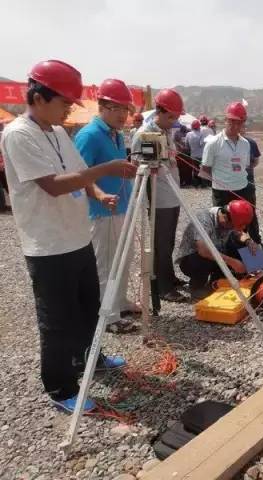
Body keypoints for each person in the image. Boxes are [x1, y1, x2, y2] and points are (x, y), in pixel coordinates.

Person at [0, 60, 137, 413]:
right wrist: (107, 170)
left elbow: (77, 173)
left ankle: (90, 357)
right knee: (57, 319)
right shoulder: (18, 134)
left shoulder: (58, 133)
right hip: (48, 245)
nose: (67, 111)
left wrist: (96, 191)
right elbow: (53, 185)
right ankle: (60, 388)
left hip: (76, 238)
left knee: (89, 306)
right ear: (39, 97)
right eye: (64, 104)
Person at [74, 78, 141, 334]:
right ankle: (108, 316)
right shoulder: (89, 135)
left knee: (124, 258)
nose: (124, 115)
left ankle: (120, 301)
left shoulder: (116, 134)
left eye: (126, 109)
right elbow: (79, 175)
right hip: (101, 211)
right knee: (106, 263)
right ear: (102, 105)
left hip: (121, 206)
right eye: (119, 108)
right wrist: (100, 195)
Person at [131, 88, 187, 302]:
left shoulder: (167, 133)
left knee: (169, 241)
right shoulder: (143, 134)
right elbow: (138, 167)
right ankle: (163, 288)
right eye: (171, 117)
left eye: (176, 117)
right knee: (160, 244)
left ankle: (169, 276)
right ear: (160, 112)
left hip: (171, 195)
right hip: (158, 198)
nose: (174, 121)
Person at [201, 102, 260, 242]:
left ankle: (251, 259)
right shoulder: (213, 143)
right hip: (222, 193)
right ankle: (225, 261)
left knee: (246, 227)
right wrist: (223, 180)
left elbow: (245, 166)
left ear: (243, 123)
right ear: (225, 120)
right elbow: (205, 169)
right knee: (223, 229)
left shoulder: (245, 144)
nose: (235, 126)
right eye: (231, 121)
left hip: (243, 190)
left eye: (239, 123)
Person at [175, 200, 256, 300]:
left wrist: (249, 241)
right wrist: (233, 262)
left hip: (218, 253)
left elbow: (240, 233)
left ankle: (256, 277)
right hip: (192, 260)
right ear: (225, 218)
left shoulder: (230, 218)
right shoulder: (203, 220)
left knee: (248, 245)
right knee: (203, 257)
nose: (237, 228)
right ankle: (197, 287)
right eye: (234, 225)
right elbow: (203, 251)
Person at [240, 124, 263, 246]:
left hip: (248, 183)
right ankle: (245, 242)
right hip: (235, 184)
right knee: (240, 214)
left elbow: (256, 161)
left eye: (242, 126)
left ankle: (255, 241)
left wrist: (247, 169)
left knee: (250, 212)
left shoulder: (251, 143)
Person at [185, 119, 205, 187]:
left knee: (195, 170)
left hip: (193, 155)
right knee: (202, 170)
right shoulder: (202, 134)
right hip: (202, 155)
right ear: (199, 127)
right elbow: (202, 144)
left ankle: (196, 184)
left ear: (192, 127)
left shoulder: (188, 134)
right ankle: (203, 184)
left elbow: (186, 145)